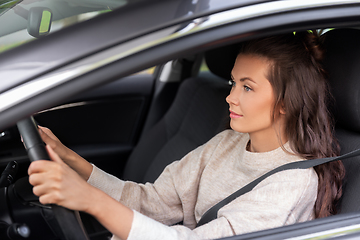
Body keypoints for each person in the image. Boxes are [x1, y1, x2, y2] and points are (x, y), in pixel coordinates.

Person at [28, 31, 345, 240]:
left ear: (287, 103)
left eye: (247, 87)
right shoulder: (228, 142)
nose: (230, 97)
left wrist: (91, 201)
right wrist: (72, 160)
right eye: (233, 83)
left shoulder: (291, 184)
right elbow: (152, 202)